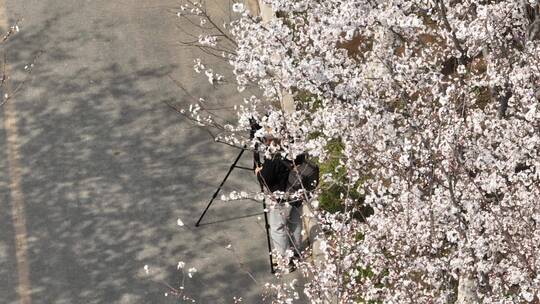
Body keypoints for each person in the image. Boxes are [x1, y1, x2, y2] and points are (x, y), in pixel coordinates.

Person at [255, 137, 303, 265]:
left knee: (278, 227)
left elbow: (265, 179)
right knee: (295, 221)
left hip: (280, 195)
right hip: (298, 190)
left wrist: (258, 172)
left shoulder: (274, 155)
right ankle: (297, 253)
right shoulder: (296, 145)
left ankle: (285, 259)